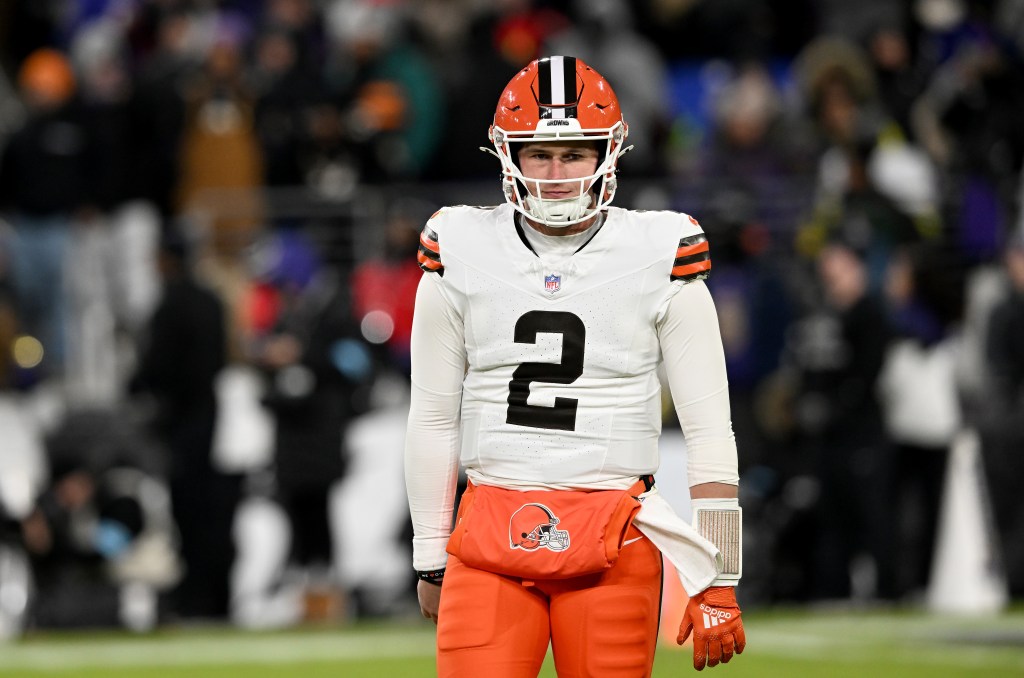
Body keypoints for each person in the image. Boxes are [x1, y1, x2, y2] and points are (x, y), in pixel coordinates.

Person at [404, 56, 745, 676]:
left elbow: (710, 429)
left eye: (574, 153)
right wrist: (430, 554)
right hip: (489, 534)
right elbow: (432, 416)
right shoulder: (461, 244)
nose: (556, 174)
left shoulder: (659, 249)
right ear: (507, 154)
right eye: (539, 154)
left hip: (615, 531)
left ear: (607, 154)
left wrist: (720, 574)